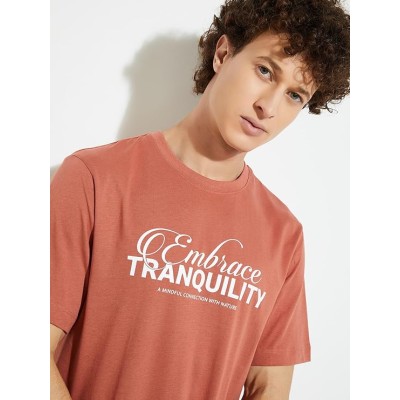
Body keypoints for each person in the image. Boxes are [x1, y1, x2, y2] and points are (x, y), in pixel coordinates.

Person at [50, 0, 350, 399]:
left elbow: (268, 387)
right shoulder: (93, 178)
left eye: (295, 95)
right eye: (265, 71)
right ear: (223, 54)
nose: (269, 107)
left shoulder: (284, 235)